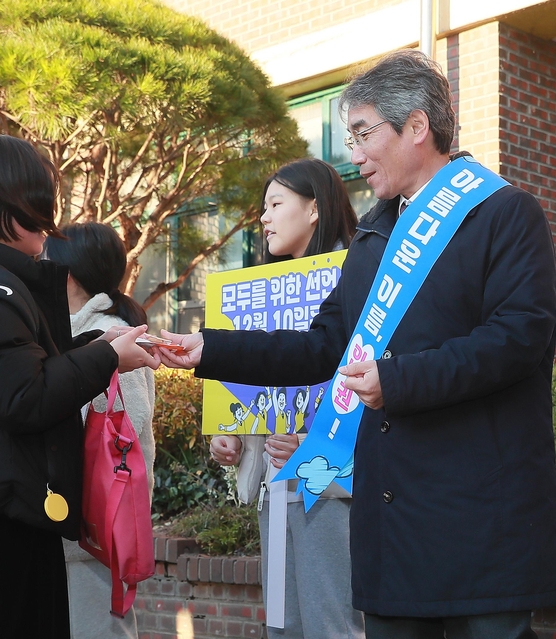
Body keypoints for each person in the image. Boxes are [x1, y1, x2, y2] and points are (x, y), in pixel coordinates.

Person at [160, 51, 556, 638]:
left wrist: (398, 381)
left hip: (481, 516)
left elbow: (519, 338)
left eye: (363, 134)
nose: (353, 156)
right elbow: (322, 346)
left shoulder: (503, 213)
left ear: (417, 127)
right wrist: (210, 350)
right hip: (393, 520)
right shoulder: (374, 235)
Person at [0, 134, 160, 639]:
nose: (48, 227)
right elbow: (25, 397)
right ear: (7, 207)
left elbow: (18, 372)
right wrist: (107, 355)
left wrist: (99, 344)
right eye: (39, 205)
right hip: (3, 513)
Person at [207, 158, 363, 638]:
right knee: (283, 627)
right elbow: (263, 380)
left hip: (331, 495)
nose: (264, 217)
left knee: (332, 627)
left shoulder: (357, 281)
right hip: (277, 490)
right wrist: (234, 437)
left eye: (275, 203)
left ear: (314, 209)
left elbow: (368, 387)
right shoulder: (261, 293)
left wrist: (318, 450)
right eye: (263, 207)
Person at [42, 222, 157, 639]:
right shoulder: (78, 330)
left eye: (45, 260)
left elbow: (128, 420)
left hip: (98, 526)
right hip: (87, 527)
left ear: (67, 273)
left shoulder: (109, 332)